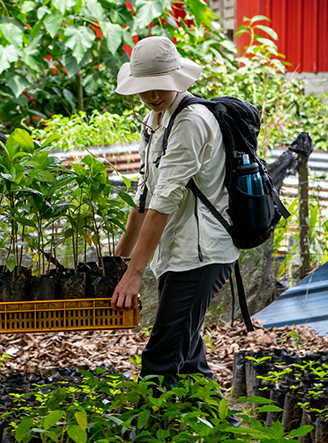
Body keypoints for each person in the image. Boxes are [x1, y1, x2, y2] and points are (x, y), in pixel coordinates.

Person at [110, 36, 240, 391]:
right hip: (175, 255)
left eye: (160, 86)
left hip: (200, 257)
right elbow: (146, 193)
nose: (153, 96)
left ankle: (152, 430)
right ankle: (222, 430)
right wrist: (120, 260)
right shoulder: (156, 120)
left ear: (176, 77)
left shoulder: (191, 122)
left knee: (160, 362)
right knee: (190, 364)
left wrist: (134, 275)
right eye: (146, 88)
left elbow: (164, 202)